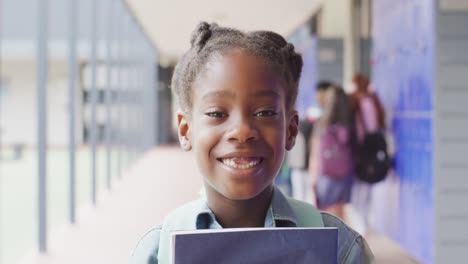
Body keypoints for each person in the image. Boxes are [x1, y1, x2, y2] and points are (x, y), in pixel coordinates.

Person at [131, 22, 373, 264]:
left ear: (290, 130)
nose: (242, 131)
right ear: (186, 131)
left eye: (265, 112)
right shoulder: (157, 253)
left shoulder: (340, 249)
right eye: (216, 113)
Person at [309, 83, 354, 221]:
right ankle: (344, 240)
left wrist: (313, 179)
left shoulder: (322, 125)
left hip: (326, 174)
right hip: (345, 172)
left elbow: (316, 156)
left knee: (325, 214)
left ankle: (332, 240)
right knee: (340, 211)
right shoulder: (349, 124)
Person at [348, 73, 386, 233]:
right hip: (374, 148)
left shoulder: (357, 102)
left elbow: (356, 129)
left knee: (358, 191)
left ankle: (361, 225)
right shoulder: (374, 100)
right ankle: (365, 221)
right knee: (367, 188)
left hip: (361, 149)